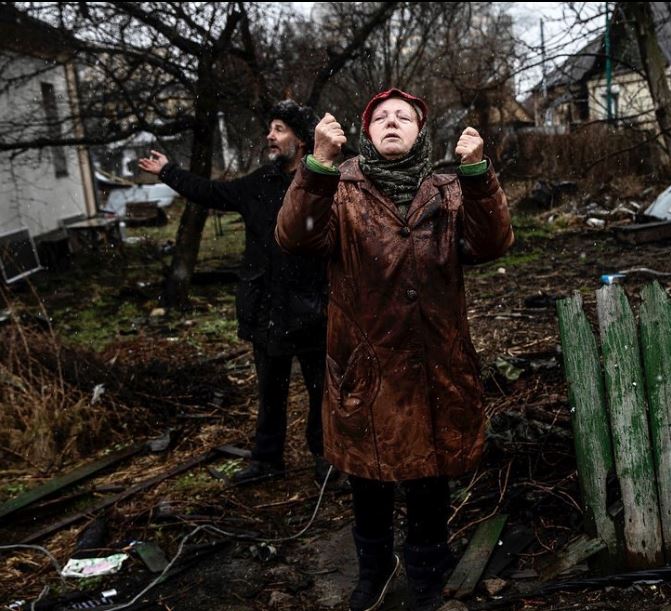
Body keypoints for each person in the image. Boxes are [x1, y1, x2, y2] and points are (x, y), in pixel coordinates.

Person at [276, 89, 513, 611]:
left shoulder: (449, 190)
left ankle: (427, 573)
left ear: (421, 133)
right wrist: (318, 165)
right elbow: (295, 237)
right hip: (367, 370)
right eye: (380, 116)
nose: (391, 122)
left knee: (430, 480)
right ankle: (375, 571)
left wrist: (478, 175)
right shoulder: (341, 188)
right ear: (364, 131)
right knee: (369, 482)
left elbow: (492, 243)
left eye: (404, 117)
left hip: (435, 364)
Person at [138, 100, 337, 486]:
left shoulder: (322, 182)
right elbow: (213, 192)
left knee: (322, 392)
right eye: (270, 129)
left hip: (314, 305)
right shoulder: (259, 183)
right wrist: (168, 171)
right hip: (268, 307)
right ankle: (267, 461)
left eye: (279, 129)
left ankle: (325, 457)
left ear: (301, 139)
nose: (269, 136)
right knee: (270, 392)